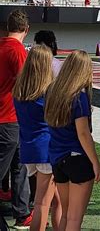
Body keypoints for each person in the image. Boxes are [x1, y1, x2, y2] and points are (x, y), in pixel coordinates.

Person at [44, 51, 100, 231]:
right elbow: (83, 133)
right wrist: (96, 163)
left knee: (66, 214)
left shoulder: (51, 91)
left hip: (57, 157)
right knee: (74, 219)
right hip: (77, 158)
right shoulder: (79, 96)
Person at [12, 45, 62, 230]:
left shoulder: (20, 90)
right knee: (42, 202)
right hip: (46, 150)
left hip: (29, 148)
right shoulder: (46, 92)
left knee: (57, 200)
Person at [0, 9, 32, 227]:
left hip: (8, 117)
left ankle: (22, 212)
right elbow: (26, 84)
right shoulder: (17, 50)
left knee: (20, 165)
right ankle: (21, 211)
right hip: (10, 117)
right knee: (16, 166)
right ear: (26, 29)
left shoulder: (2, 46)